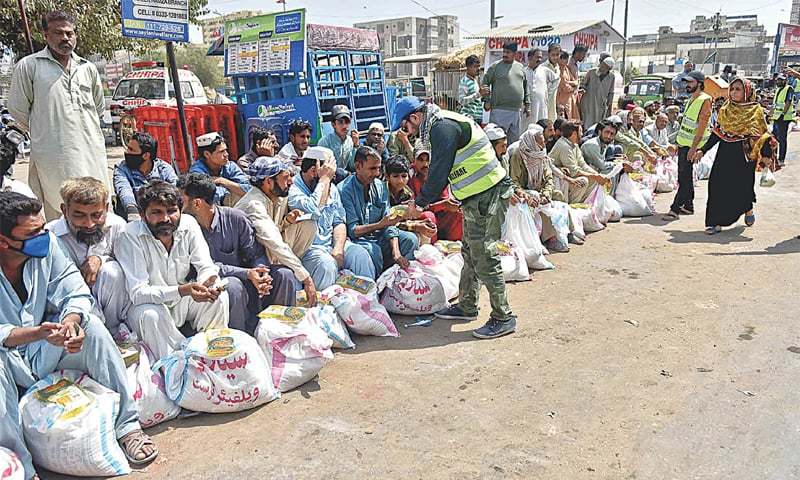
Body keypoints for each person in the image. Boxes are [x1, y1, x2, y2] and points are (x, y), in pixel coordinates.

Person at [0, 192, 157, 474]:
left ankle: (127, 427)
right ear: (4, 241)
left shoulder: (47, 248)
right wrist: (35, 333)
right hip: (8, 361)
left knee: (92, 326)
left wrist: (71, 322)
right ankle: (22, 463)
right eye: (32, 233)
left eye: (42, 227)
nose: (43, 236)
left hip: (40, 350)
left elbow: (74, 290)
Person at [392, 96, 520, 339]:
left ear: (416, 118)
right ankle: (467, 305)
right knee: (470, 252)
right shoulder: (438, 127)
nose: (405, 132)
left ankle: (503, 316)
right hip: (476, 197)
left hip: (488, 194)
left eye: (405, 126)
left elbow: (439, 172)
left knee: (484, 253)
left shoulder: (442, 127)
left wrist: (418, 204)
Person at [8, 10, 109, 220]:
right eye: (58, 33)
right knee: (61, 212)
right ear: (45, 35)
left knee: (97, 209)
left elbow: (97, 108)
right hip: (54, 158)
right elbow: (18, 113)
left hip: (90, 151)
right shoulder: (29, 66)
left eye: (69, 33)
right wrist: (50, 130)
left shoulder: (87, 68)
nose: (65, 38)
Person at [115, 181, 230, 359]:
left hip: (181, 299)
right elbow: (138, 293)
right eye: (156, 212)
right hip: (147, 306)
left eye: (171, 211)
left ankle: (212, 358)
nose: (166, 219)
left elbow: (206, 265)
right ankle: (172, 367)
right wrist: (182, 291)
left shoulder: (188, 224)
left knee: (218, 298)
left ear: (180, 210)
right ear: (143, 215)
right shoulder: (130, 235)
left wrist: (208, 282)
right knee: (151, 315)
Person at [178, 173, 295, 334]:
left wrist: (261, 274)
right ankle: (242, 340)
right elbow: (206, 268)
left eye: (181, 201)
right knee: (232, 285)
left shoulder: (236, 218)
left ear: (197, 203)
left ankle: (283, 335)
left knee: (284, 274)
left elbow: (255, 254)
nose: (177, 207)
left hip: (249, 280)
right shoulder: (184, 230)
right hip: (218, 286)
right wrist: (247, 273)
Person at [47, 177, 128, 335]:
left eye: (96, 215)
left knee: (113, 271)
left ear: (106, 208)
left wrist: (100, 259)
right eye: (79, 215)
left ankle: (113, 331)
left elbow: (130, 268)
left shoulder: (118, 226)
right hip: (70, 307)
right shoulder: (51, 234)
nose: (89, 224)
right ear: (64, 211)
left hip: (114, 308)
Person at [287, 147, 376, 289]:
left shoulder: (330, 187)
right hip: (308, 250)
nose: (333, 176)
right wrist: (325, 179)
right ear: (313, 171)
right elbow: (314, 208)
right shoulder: (293, 189)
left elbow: (338, 221)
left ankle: (368, 305)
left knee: (360, 255)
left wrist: (338, 249)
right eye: (330, 172)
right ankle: (325, 309)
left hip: (330, 244)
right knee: (326, 264)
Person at [697, 78, 775, 234]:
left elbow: (763, 135)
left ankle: (748, 208)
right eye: (732, 89)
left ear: (746, 92)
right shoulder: (725, 109)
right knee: (716, 184)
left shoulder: (755, 110)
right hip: (725, 153)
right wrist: (703, 150)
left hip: (745, 155)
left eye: (738, 89)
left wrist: (766, 155)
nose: (733, 92)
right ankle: (715, 222)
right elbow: (717, 133)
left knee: (742, 188)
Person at [235, 156, 318, 301]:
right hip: (251, 260)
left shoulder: (276, 196)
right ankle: (292, 272)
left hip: (270, 253)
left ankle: (291, 268)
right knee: (279, 251)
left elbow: (275, 228)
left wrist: (286, 222)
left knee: (308, 225)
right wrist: (306, 278)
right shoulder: (254, 204)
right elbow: (272, 241)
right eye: (285, 178)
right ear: (268, 181)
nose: (290, 181)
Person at [339, 146, 418, 273]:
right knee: (373, 251)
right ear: (358, 167)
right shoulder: (344, 190)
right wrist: (380, 224)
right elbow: (353, 231)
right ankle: (378, 287)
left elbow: (389, 222)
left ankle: (399, 279)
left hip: (380, 236)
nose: (376, 173)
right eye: (372, 168)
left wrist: (396, 252)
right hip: (358, 241)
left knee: (410, 240)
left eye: (378, 168)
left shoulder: (380, 186)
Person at [664, 71, 712, 220]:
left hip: (692, 146)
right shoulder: (691, 99)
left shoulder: (705, 100)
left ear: (699, 83)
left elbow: (702, 127)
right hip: (685, 145)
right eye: (686, 82)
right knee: (684, 176)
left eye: (690, 82)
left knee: (684, 178)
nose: (687, 85)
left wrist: (693, 148)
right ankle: (688, 206)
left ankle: (675, 208)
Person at [114, 131, 178, 221]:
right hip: (133, 218)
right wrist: (132, 210)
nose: (127, 152)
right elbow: (124, 189)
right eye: (128, 148)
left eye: (131, 150)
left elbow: (175, 188)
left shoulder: (164, 169)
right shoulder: (121, 168)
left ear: (146, 155)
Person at [409, 146, 464, 241]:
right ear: (414, 161)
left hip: (439, 216)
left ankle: (453, 244)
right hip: (420, 218)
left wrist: (450, 205)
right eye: (421, 160)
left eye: (428, 160)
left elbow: (445, 201)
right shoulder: (410, 177)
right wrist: (441, 205)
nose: (425, 164)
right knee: (429, 216)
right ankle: (432, 248)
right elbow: (415, 210)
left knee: (458, 213)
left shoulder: (438, 175)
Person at [481, 42, 530, 143]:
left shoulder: (520, 67)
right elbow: (485, 83)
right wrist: (486, 100)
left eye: (508, 52)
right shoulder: (495, 67)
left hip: (516, 111)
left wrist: (527, 104)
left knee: (514, 142)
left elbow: (526, 87)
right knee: (497, 140)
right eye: (504, 52)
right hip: (499, 110)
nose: (505, 54)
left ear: (515, 53)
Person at [384, 154, 439, 244]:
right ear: (387, 177)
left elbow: (408, 219)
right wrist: (415, 226)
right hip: (385, 231)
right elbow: (386, 223)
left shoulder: (408, 194)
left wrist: (421, 224)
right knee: (412, 238)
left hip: (401, 227)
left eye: (404, 176)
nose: (400, 181)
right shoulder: (382, 193)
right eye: (395, 176)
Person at [550, 121, 609, 203]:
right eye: (580, 131)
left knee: (595, 180)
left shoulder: (574, 145)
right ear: (574, 133)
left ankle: (582, 202)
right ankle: (573, 205)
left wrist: (597, 175)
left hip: (568, 176)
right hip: (558, 178)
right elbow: (573, 171)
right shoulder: (564, 146)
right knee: (583, 181)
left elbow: (582, 164)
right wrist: (595, 176)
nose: (582, 134)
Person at [189, 132, 251, 206]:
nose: (226, 154)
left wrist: (223, 181)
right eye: (221, 152)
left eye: (226, 150)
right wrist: (232, 188)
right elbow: (213, 197)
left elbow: (249, 189)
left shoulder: (230, 166)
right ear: (207, 154)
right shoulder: (197, 172)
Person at [318, 105, 360, 175]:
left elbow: (352, 166)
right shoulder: (324, 142)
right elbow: (324, 168)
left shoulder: (350, 141)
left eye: (347, 122)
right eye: (340, 122)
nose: (344, 126)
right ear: (333, 124)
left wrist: (356, 145)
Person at [524, 48, 560, 127]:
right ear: (530, 58)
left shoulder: (544, 70)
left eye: (540, 57)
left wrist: (549, 93)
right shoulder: (524, 71)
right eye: (537, 57)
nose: (539, 59)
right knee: (528, 127)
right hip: (528, 106)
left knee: (541, 126)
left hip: (542, 104)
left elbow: (556, 79)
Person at [580, 55, 616, 130]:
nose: (601, 68)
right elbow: (583, 84)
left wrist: (609, 108)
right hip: (588, 102)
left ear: (609, 68)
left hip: (600, 104)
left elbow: (611, 93)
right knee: (586, 122)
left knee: (597, 125)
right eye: (602, 65)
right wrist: (582, 89)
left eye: (604, 67)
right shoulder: (591, 72)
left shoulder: (612, 77)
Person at [772, 73, 794, 167]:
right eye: (778, 80)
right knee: (774, 138)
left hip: (783, 118)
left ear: (785, 80)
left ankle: (781, 159)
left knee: (782, 139)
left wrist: (783, 114)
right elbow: (775, 104)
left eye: (781, 80)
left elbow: (788, 102)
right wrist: (770, 114)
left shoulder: (789, 89)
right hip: (776, 117)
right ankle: (774, 156)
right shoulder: (778, 90)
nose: (778, 81)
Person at [458, 55, 484, 125]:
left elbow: (477, 100)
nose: (478, 69)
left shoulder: (475, 81)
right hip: (469, 118)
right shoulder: (464, 81)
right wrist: (479, 94)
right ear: (468, 67)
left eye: (478, 66)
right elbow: (461, 101)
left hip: (477, 118)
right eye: (475, 66)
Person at [557, 51, 581, 122]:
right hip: (561, 100)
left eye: (567, 59)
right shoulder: (558, 70)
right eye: (564, 58)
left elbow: (576, 82)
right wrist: (573, 87)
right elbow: (565, 88)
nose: (566, 61)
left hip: (569, 99)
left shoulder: (566, 69)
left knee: (571, 120)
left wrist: (569, 83)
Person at [544, 44, 562, 121]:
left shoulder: (558, 68)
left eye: (557, 55)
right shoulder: (543, 67)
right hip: (544, 101)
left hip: (553, 102)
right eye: (553, 55)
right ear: (549, 54)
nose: (555, 57)